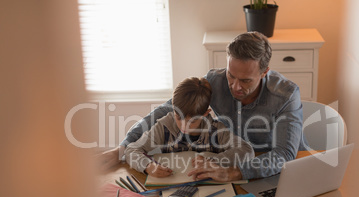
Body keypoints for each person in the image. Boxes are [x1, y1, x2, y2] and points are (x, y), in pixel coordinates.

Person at [100, 31, 305, 181]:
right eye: (231, 75)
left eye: (245, 81)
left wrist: (233, 172)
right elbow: (167, 110)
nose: (235, 86)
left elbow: (283, 155)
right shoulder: (214, 81)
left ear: (264, 72)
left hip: (269, 168)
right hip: (226, 163)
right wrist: (123, 148)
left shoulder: (286, 95)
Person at [124, 77, 254, 178]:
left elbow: (247, 151)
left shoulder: (216, 130)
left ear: (205, 114)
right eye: (178, 117)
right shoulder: (164, 126)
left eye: (192, 121)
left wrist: (213, 161)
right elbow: (131, 149)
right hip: (172, 187)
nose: (183, 126)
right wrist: (148, 166)